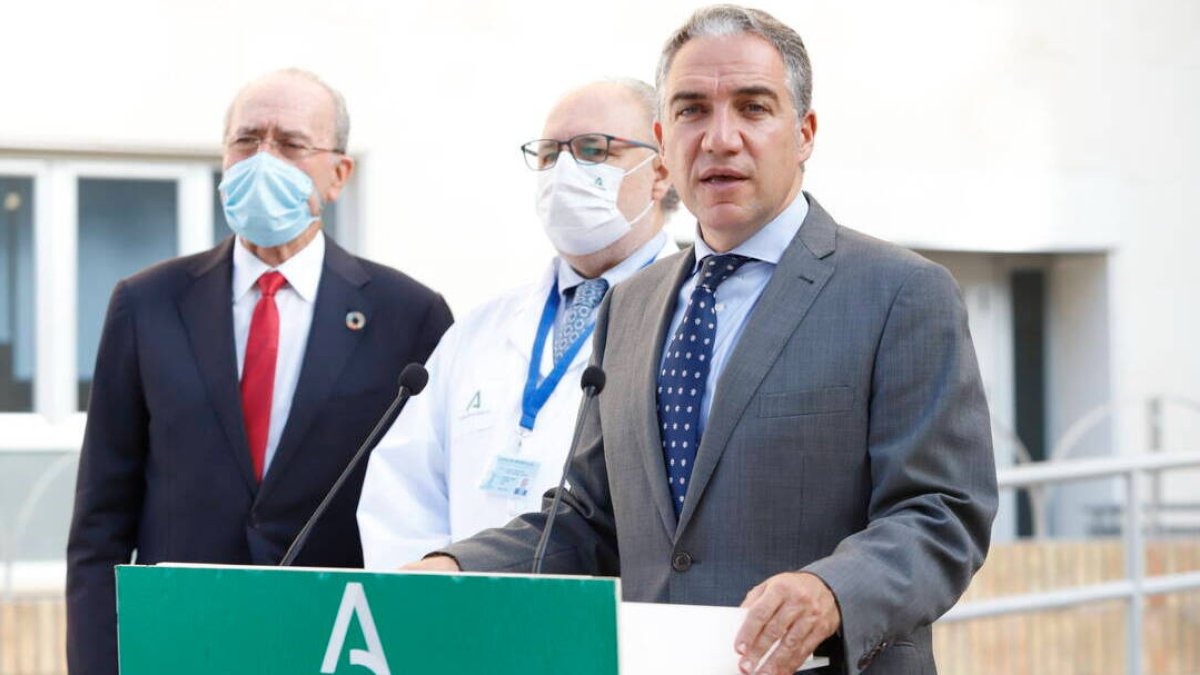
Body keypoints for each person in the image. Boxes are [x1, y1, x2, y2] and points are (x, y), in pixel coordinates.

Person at [409, 6, 997, 675]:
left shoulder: (900, 293)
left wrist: (833, 590)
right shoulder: (630, 306)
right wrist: (453, 568)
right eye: (691, 111)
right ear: (663, 138)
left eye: (752, 107)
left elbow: (942, 510)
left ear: (804, 133)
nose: (720, 138)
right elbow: (589, 520)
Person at [65, 69, 453, 675]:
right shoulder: (146, 303)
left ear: (338, 175)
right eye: (246, 140)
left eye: (291, 143)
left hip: (338, 643)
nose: (263, 158)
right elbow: (100, 522)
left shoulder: (409, 316)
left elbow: (427, 508)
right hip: (179, 640)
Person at [357, 79, 676, 568]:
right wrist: (425, 598)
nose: (563, 170)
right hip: (465, 622)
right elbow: (402, 494)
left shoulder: (691, 321)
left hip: (609, 626)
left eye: (593, 150)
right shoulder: (478, 331)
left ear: (660, 171)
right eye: (549, 154)